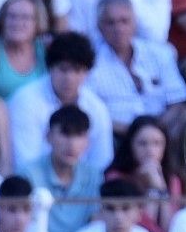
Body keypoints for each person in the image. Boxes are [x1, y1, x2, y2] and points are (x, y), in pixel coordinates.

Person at [10, 32, 116, 168]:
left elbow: (102, 162)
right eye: (63, 69)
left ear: (87, 72)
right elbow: (26, 162)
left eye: (77, 70)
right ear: (50, 68)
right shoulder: (25, 101)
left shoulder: (97, 108)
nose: (69, 78)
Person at [21, 104, 105, 232]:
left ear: (87, 142)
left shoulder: (94, 176)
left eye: (79, 135)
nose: (72, 144)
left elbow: (95, 224)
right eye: (65, 134)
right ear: (48, 136)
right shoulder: (28, 174)